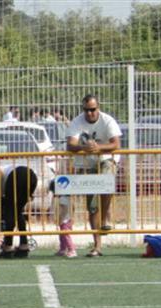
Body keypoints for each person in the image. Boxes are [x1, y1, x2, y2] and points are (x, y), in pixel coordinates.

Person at [65, 94, 121, 257]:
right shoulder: (77, 121)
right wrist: (85, 146)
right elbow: (71, 144)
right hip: (87, 164)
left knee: (106, 181)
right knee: (92, 206)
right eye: (86, 110)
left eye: (93, 109)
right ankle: (97, 246)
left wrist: (99, 148)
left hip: (106, 159)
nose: (89, 113)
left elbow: (116, 144)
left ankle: (105, 218)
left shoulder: (107, 120)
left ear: (98, 107)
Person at [0, 164, 38, 259]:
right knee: (17, 211)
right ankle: (24, 245)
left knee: (10, 212)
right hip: (32, 176)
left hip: (18, 176)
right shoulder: (5, 169)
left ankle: (8, 247)